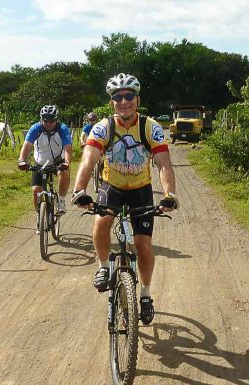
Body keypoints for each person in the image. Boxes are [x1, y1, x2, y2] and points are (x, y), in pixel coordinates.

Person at [71, 73, 178, 325]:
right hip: (113, 187)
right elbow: (89, 158)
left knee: (142, 246)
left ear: (137, 99)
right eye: (117, 97)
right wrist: (79, 190)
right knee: (101, 223)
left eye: (129, 96)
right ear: (112, 103)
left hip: (141, 188)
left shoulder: (150, 127)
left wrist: (169, 194)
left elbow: (163, 163)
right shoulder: (103, 127)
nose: (123, 101)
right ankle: (103, 267)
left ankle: (146, 294)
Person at [18, 105, 73, 227]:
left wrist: (67, 162)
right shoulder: (35, 128)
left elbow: (68, 149)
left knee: (64, 173)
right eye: (45, 120)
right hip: (40, 163)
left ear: (56, 119)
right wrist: (21, 160)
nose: (48, 123)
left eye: (52, 121)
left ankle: (61, 201)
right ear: (41, 119)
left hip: (58, 160)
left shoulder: (62, 129)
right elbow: (26, 146)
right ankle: (39, 216)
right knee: (36, 190)